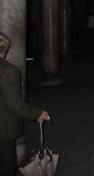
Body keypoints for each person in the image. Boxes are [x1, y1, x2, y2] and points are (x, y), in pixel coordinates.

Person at [0, 32, 50, 176]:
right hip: (3, 129)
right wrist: (37, 114)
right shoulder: (8, 71)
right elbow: (14, 104)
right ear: (5, 49)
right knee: (6, 167)